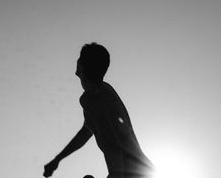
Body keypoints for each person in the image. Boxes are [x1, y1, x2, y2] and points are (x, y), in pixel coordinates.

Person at [43, 43, 153, 178]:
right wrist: (57, 159)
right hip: (143, 171)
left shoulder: (91, 98)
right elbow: (86, 132)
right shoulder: (105, 90)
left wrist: (115, 175)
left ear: (82, 66)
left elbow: (113, 142)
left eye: (79, 59)